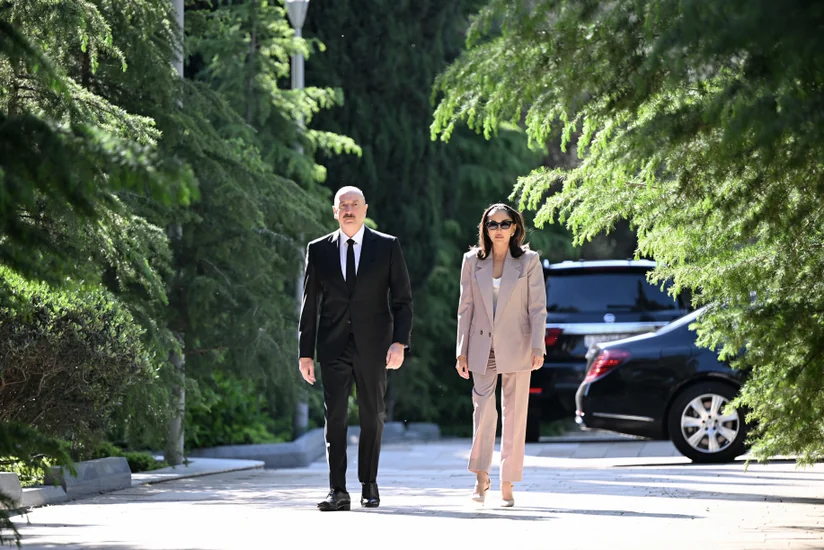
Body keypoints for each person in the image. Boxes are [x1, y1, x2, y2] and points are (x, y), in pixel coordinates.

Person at [298, 186, 413, 512]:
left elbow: (403, 300)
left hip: (375, 346)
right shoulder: (318, 249)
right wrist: (305, 353)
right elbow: (310, 304)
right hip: (333, 346)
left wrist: (399, 343)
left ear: (365, 209)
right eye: (343, 205)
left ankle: (369, 484)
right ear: (335, 211)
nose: (348, 210)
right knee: (334, 417)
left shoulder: (387, 246)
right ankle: (337, 490)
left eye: (354, 204)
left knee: (372, 415)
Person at [455, 203, 546, 507]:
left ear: (514, 227)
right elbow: (465, 308)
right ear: (485, 228)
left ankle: (508, 481)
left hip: (518, 344)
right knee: (483, 410)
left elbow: (537, 307)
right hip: (482, 345)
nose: (498, 229)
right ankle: (481, 477)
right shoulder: (472, 261)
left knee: (515, 413)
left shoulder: (529, 261)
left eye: (504, 224)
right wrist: (461, 351)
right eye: (492, 224)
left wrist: (538, 346)